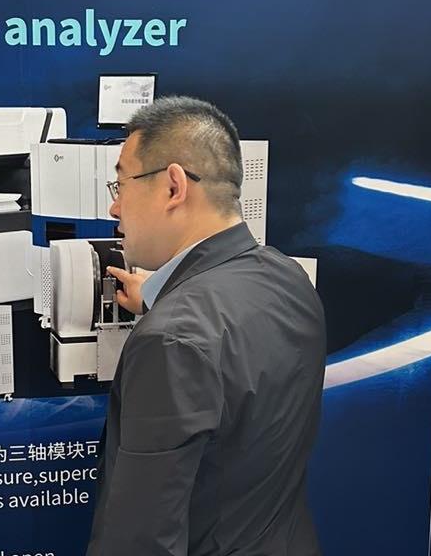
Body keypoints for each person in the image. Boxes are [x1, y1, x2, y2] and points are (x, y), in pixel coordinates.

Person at [86, 96, 326, 556]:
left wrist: (168, 313)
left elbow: (141, 542)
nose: (115, 209)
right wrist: (158, 296)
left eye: (121, 185)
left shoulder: (171, 339)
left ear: (173, 187)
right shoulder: (288, 278)